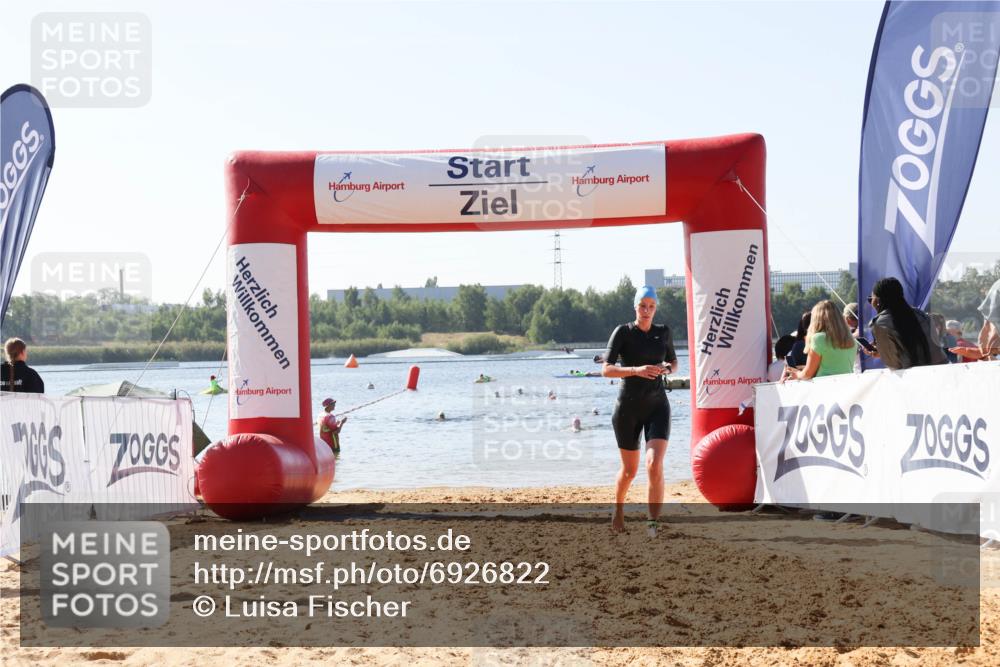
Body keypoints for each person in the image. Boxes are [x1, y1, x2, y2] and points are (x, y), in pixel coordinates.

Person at [603, 285, 677, 536]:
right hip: (628, 409)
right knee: (629, 471)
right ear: (635, 307)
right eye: (642, 306)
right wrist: (636, 370)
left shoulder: (663, 332)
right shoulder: (623, 332)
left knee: (654, 463)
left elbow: (674, 363)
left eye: (651, 306)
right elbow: (607, 370)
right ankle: (618, 508)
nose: (647, 311)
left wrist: (665, 369)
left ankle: (652, 522)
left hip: (657, 405)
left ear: (656, 308)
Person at [864, 277, 947, 369]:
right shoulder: (922, 315)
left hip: (911, 378)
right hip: (939, 373)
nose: (871, 302)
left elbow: (893, 365)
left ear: (878, 301)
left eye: (870, 299)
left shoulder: (881, 324)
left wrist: (883, 352)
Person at [783, 300, 858, 381]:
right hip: (847, 386)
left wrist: (797, 374)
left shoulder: (819, 338)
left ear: (816, 318)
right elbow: (834, 366)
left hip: (824, 388)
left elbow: (808, 374)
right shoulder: (851, 340)